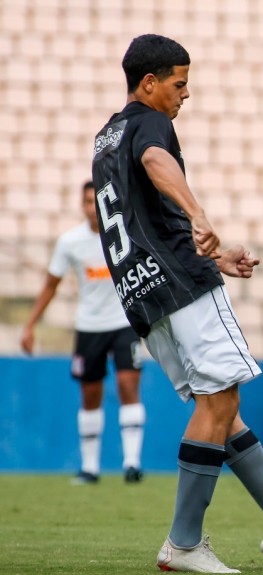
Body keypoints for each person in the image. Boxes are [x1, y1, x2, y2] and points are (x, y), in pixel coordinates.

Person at [91, 33, 263, 574]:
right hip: (180, 288)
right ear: (150, 83)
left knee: (222, 411)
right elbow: (157, 162)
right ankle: (184, 544)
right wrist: (198, 211)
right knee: (219, 402)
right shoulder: (149, 125)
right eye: (179, 83)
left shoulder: (105, 137)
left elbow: (144, 223)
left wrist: (214, 255)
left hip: (143, 292)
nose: (185, 95)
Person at [21, 181, 146, 485]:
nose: (93, 207)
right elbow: (51, 285)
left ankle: (132, 464)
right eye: (88, 202)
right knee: (90, 394)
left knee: (128, 385)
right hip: (89, 326)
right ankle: (90, 467)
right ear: (82, 205)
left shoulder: (126, 234)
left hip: (124, 322)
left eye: (96, 201)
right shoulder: (70, 242)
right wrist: (30, 324)